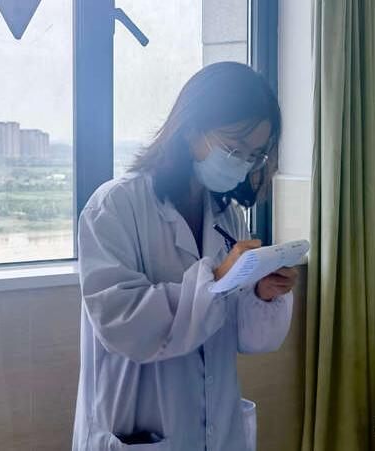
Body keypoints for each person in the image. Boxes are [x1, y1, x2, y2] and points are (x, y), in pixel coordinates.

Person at [72, 62, 297, 451]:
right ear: (191, 129)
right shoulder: (114, 206)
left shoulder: (227, 216)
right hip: (138, 423)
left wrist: (262, 294)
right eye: (234, 149)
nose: (243, 163)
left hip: (215, 426)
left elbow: (243, 337)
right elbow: (122, 322)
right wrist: (215, 280)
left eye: (254, 155)